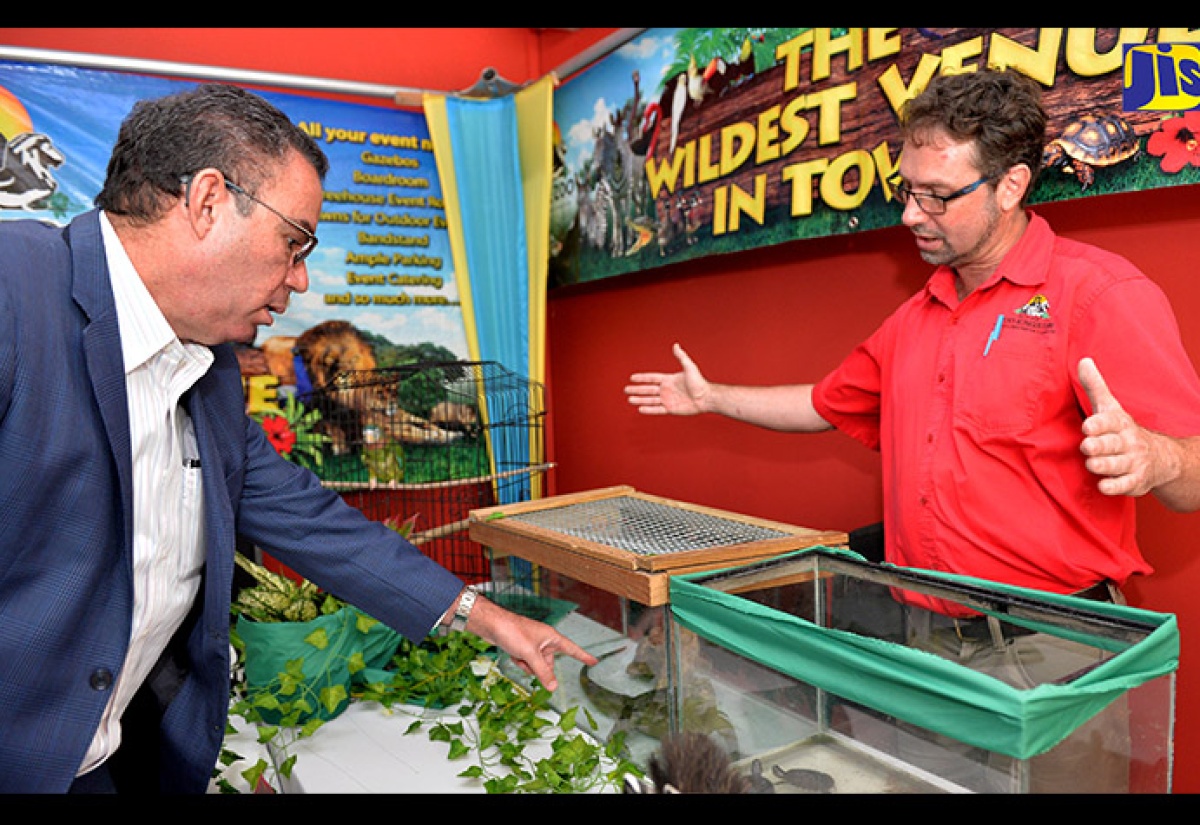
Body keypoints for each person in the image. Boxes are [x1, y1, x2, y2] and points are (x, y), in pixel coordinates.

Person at [0, 83, 596, 794]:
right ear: (209, 201)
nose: (301, 280)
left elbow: (312, 519)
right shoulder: (16, 292)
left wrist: (486, 616)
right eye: (294, 241)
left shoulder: (210, 369)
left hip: (107, 758)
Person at [625, 68, 1200, 791]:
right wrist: (711, 396)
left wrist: (1155, 455)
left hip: (1054, 657)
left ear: (1012, 186)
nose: (910, 214)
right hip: (922, 652)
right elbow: (821, 401)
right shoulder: (915, 316)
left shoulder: (1100, 294)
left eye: (937, 195)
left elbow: (1196, 471)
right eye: (906, 188)